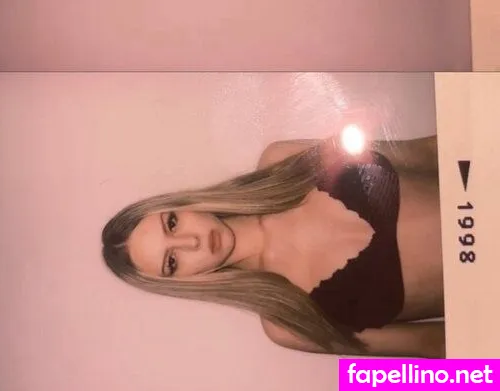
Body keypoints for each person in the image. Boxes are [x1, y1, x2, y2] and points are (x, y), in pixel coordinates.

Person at [102, 135, 444, 357]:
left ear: (182, 204)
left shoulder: (282, 163)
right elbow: (434, 347)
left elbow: (428, 151)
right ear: (183, 282)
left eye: (172, 223)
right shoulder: (287, 323)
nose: (192, 242)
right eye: (172, 262)